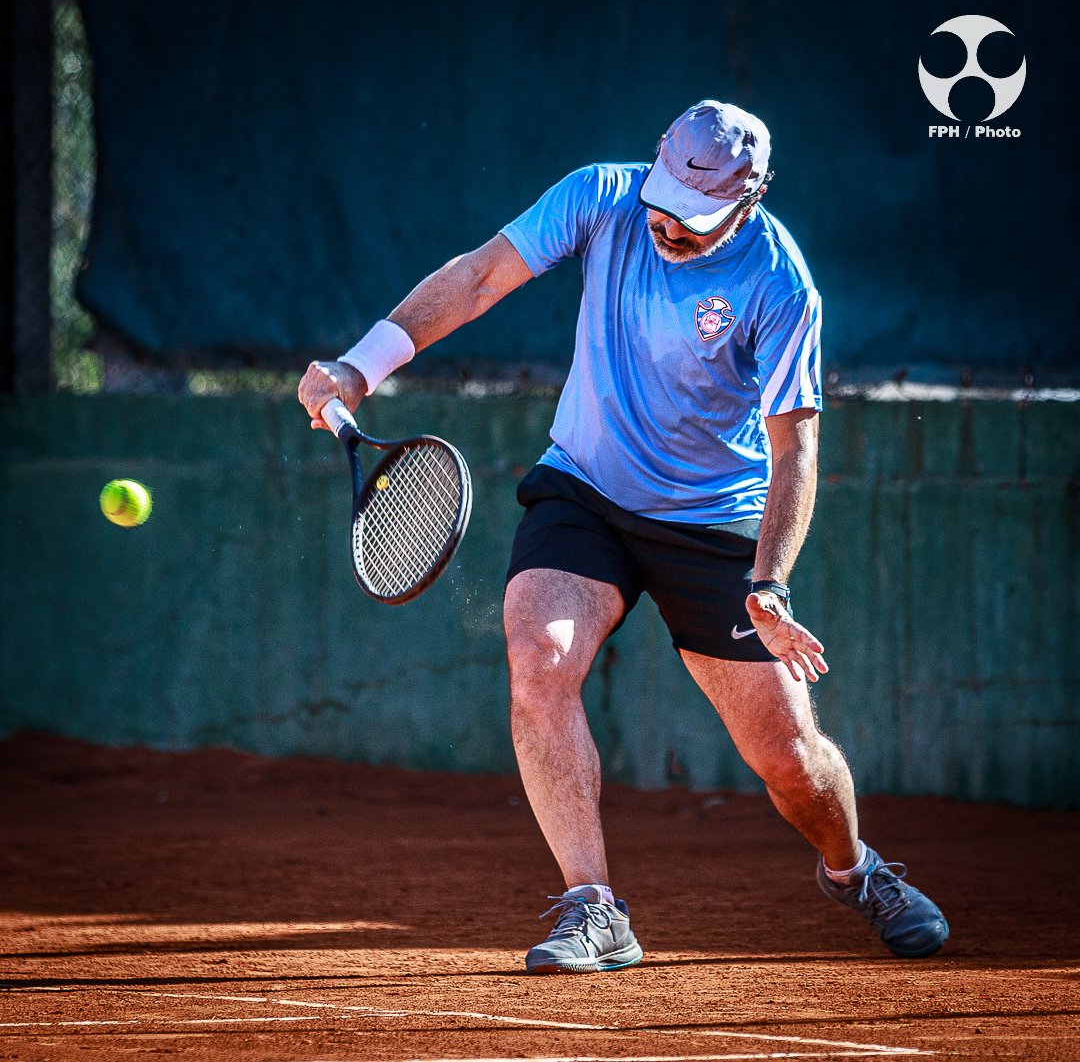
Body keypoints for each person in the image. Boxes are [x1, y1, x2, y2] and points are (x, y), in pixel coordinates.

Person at [298, 100, 949, 973]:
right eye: (664, 197)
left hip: (713, 519)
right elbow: (481, 276)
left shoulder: (782, 283)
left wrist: (770, 583)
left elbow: (796, 449)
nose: (666, 223)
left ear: (750, 199)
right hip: (586, 489)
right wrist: (358, 366)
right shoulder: (600, 196)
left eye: (694, 214)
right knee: (538, 656)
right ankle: (593, 907)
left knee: (790, 761)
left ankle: (856, 870)